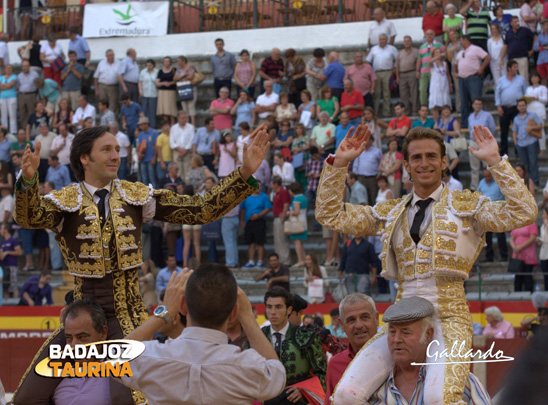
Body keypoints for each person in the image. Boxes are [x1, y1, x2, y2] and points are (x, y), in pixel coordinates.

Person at [12, 124, 270, 405]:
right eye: (107, 149)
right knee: (27, 398)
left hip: (127, 317)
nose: (115, 156)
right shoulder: (63, 202)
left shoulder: (137, 196)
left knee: (132, 400)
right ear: (84, 158)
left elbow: (201, 209)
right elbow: (30, 218)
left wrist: (243, 173)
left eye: (118, 150)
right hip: (80, 320)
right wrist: (27, 183)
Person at [316, 125, 537, 404]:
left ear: (444, 162)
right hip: (399, 321)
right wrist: (340, 164)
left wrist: (495, 162)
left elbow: (525, 211)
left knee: (438, 397)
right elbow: (330, 215)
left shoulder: (467, 207)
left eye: (431, 156)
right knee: (346, 395)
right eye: (417, 157)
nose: (424, 163)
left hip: (449, 317)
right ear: (406, 165)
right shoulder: (391, 211)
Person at [120, 266, 286, 404]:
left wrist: (164, 312)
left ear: (182, 306)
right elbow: (277, 373)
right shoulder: (248, 366)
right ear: (234, 313)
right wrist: (248, 317)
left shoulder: (153, 357)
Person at [369, 297, 491, 404]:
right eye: (392, 332)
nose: (396, 339)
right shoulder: (372, 385)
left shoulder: (461, 382)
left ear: (428, 334)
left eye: (405, 332)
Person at [262, 287, 327, 403]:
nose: (273, 312)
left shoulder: (307, 337)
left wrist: (304, 390)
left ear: (289, 310)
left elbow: (323, 375)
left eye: (278, 307)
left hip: (296, 401)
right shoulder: (257, 336)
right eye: (269, 307)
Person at [52, 299, 111, 405]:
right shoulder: (54, 377)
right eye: (69, 338)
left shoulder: (115, 372)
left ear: (103, 333)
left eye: (82, 337)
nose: (74, 345)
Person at [324, 294, 378, 404]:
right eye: (351, 320)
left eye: (364, 317)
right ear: (342, 325)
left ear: (376, 319)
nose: (358, 325)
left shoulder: (393, 358)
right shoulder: (335, 364)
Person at [453, 35, 490, 129]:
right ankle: (465, 124)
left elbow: (487, 57)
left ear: (466, 40)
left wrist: (481, 69)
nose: (460, 43)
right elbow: (455, 63)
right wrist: (455, 73)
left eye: (461, 40)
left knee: (476, 100)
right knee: (464, 102)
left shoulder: (476, 49)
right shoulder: (460, 52)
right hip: (462, 79)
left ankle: (479, 123)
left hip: (474, 77)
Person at [496, 60, 527, 155]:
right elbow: (498, 94)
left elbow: (525, 93)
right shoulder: (501, 80)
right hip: (504, 108)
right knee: (504, 131)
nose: (516, 69)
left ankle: (518, 152)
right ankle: (504, 153)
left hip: (517, 108)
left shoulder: (521, 79)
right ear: (509, 68)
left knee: (518, 130)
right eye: (514, 67)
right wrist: (499, 107)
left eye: (517, 67)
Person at [477, 169, 508, 262]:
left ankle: (504, 256)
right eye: (485, 176)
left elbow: (505, 196)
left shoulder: (498, 182)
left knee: (500, 235)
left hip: (498, 213)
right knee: (487, 237)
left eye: (489, 176)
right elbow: (478, 195)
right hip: (486, 213)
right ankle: (489, 256)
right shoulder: (482, 183)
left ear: (492, 174)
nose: (487, 178)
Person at [241, 180, 272, 268]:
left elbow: (268, 208)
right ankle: (251, 261)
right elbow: (243, 209)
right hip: (249, 222)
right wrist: (242, 220)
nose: (258, 187)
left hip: (260, 221)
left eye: (259, 186)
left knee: (260, 242)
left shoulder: (264, 197)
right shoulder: (246, 196)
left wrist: (258, 216)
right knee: (250, 242)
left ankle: (260, 261)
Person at [366, 34, 397, 118]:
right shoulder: (374, 49)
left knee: (387, 93)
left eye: (383, 39)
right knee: (376, 93)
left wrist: (395, 69)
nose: (382, 40)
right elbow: (368, 61)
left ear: (387, 40)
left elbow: (397, 60)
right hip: (376, 73)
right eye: (380, 39)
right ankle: (374, 113)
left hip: (388, 72)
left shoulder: (392, 49)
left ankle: (386, 112)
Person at [513, 98, 541, 187]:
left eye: (523, 105)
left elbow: (540, 125)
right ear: (517, 107)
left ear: (526, 106)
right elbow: (514, 131)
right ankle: (526, 185)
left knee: (533, 164)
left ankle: (535, 184)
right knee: (524, 166)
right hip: (520, 144)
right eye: (520, 106)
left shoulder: (532, 115)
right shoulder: (516, 118)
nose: (522, 107)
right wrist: (516, 143)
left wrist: (531, 128)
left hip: (531, 142)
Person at [501, 16, 535, 84]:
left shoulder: (525, 30)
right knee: (513, 78)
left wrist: (533, 49)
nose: (517, 23)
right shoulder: (508, 33)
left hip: (522, 57)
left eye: (518, 21)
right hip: (512, 58)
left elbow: (535, 37)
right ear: (511, 23)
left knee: (524, 77)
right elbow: (505, 45)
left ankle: (525, 94)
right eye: (515, 22)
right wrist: (501, 58)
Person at [417, 30, 445, 108]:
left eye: (431, 34)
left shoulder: (439, 45)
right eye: (427, 34)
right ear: (425, 35)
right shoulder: (422, 46)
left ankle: (433, 107)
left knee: (433, 90)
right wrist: (417, 70)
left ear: (434, 35)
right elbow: (419, 59)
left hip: (435, 71)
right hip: (424, 71)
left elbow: (445, 54)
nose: (429, 36)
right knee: (422, 90)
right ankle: (424, 107)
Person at [352, 134, 382, 205]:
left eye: (366, 139)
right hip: (361, 178)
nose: (364, 141)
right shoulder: (360, 150)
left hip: (372, 178)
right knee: (362, 198)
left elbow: (380, 163)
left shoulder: (377, 151)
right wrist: (354, 176)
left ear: (371, 140)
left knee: (373, 196)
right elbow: (356, 164)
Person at [510, 218, 538, 293]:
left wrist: (520, 247)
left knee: (527, 276)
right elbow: (512, 238)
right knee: (517, 277)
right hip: (517, 255)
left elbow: (533, 238)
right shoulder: (516, 223)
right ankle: (517, 296)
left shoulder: (532, 223)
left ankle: (528, 296)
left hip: (528, 254)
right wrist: (514, 247)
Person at [396, 36, 419, 116]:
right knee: (403, 95)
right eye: (405, 41)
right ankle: (405, 112)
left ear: (411, 42)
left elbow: (418, 62)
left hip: (412, 72)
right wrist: (397, 76)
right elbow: (397, 65)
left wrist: (417, 71)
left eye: (408, 41)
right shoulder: (400, 53)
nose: (407, 42)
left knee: (414, 93)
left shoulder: (416, 51)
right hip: (402, 74)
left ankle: (415, 111)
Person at [525, 72, 548, 154]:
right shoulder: (528, 89)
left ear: (539, 78)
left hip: (539, 111)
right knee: (531, 131)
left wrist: (536, 97)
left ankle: (543, 149)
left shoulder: (543, 88)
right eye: (532, 77)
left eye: (535, 77)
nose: (534, 79)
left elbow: (546, 100)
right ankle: (534, 149)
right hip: (530, 111)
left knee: (540, 130)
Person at [271, 176, 291, 266]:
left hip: (280, 218)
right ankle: (280, 259)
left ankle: (285, 260)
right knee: (278, 240)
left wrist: (283, 214)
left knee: (282, 239)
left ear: (276, 184)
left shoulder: (283, 192)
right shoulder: (277, 193)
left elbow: (286, 204)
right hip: (276, 218)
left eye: (272, 183)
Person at [170, 111, 195, 183]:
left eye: (185, 118)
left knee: (188, 171)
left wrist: (185, 151)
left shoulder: (191, 127)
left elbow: (192, 140)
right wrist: (180, 151)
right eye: (182, 118)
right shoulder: (173, 128)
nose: (184, 120)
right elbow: (172, 142)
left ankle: (188, 190)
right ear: (178, 119)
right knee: (178, 171)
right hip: (177, 152)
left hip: (187, 152)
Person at [428, 48, 452, 121]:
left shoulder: (444, 63)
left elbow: (448, 75)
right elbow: (430, 61)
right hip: (436, 86)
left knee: (445, 105)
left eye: (439, 52)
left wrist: (451, 85)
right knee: (436, 106)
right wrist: (438, 56)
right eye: (436, 52)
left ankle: (445, 121)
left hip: (444, 86)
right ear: (433, 54)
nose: (438, 54)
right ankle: (436, 123)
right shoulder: (432, 64)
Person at [93, 49, 120, 115]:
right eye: (110, 55)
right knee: (102, 104)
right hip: (102, 86)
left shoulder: (118, 63)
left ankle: (112, 121)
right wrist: (96, 89)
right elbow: (96, 77)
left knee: (113, 105)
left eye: (113, 55)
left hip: (114, 87)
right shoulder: (101, 63)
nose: (112, 56)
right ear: (106, 56)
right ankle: (103, 121)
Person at [288, 182, 308, 266]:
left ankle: (300, 260)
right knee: (299, 241)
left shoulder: (296, 199)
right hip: (303, 221)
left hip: (297, 222)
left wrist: (289, 213)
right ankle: (304, 259)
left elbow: (296, 212)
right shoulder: (303, 197)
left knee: (297, 241)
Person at [17, 60, 40, 130]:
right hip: (22, 95)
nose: (25, 68)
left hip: (31, 95)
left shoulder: (35, 74)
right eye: (24, 66)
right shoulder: (19, 75)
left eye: (27, 66)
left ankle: (32, 129)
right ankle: (24, 129)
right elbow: (18, 86)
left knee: (31, 112)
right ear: (22, 67)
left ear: (29, 66)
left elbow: (38, 84)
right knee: (22, 113)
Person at [136, 116, 158, 188]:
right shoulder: (140, 134)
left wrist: (154, 157)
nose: (140, 126)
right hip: (143, 159)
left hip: (150, 159)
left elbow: (156, 146)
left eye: (141, 125)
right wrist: (138, 153)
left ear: (146, 124)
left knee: (152, 179)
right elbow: (138, 146)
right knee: (144, 179)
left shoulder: (154, 133)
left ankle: (154, 194)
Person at [155, 56, 177, 126]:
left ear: (170, 62)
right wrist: (163, 83)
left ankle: (172, 125)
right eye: (165, 61)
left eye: (168, 61)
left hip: (171, 91)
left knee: (171, 109)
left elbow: (177, 80)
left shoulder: (174, 70)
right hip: (162, 92)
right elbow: (157, 83)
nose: (166, 63)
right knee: (164, 110)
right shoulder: (160, 71)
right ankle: (166, 125)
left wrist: (170, 83)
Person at [0, 224, 21, 298]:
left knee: (13, 286)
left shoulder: (13, 240)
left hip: (12, 266)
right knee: (5, 286)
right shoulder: (2, 242)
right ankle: (6, 306)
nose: (0, 231)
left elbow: (19, 252)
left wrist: (8, 252)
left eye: (1, 229)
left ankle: (15, 304)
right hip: (4, 267)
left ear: (6, 230)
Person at [139, 59, 159, 129]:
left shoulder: (157, 72)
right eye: (147, 65)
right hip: (145, 93)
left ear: (153, 65)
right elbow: (140, 82)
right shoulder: (143, 72)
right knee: (145, 110)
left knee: (152, 111)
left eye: (150, 65)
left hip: (153, 94)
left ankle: (153, 126)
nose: (148, 66)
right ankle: (145, 126)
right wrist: (140, 90)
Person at [0, 64, 17, 135]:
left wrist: (4, 86)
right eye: (7, 68)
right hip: (2, 97)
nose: (8, 70)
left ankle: (13, 131)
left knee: (12, 114)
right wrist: (6, 86)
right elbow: (0, 87)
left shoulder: (14, 76)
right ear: (4, 69)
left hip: (12, 96)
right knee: (3, 115)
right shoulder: (1, 77)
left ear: (12, 69)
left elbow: (11, 85)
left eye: (10, 68)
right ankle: (4, 131)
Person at [489, 23, 507, 89]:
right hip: (494, 63)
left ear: (498, 29)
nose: (494, 30)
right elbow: (489, 52)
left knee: (505, 80)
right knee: (497, 82)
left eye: (495, 29)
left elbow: (506, 48)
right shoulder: (489, 41)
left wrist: (501, 59)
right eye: (492, 29)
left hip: (503, 61)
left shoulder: (503, 38)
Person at [535, 19, 548, 87]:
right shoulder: (540, 35)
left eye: (547, 24)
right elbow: (535, 47)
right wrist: (544, 46)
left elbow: (539, 46)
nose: (546, 26)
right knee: (543, 78)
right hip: (541, 60)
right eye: (544, 25)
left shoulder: (540, 37)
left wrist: (542, 46)